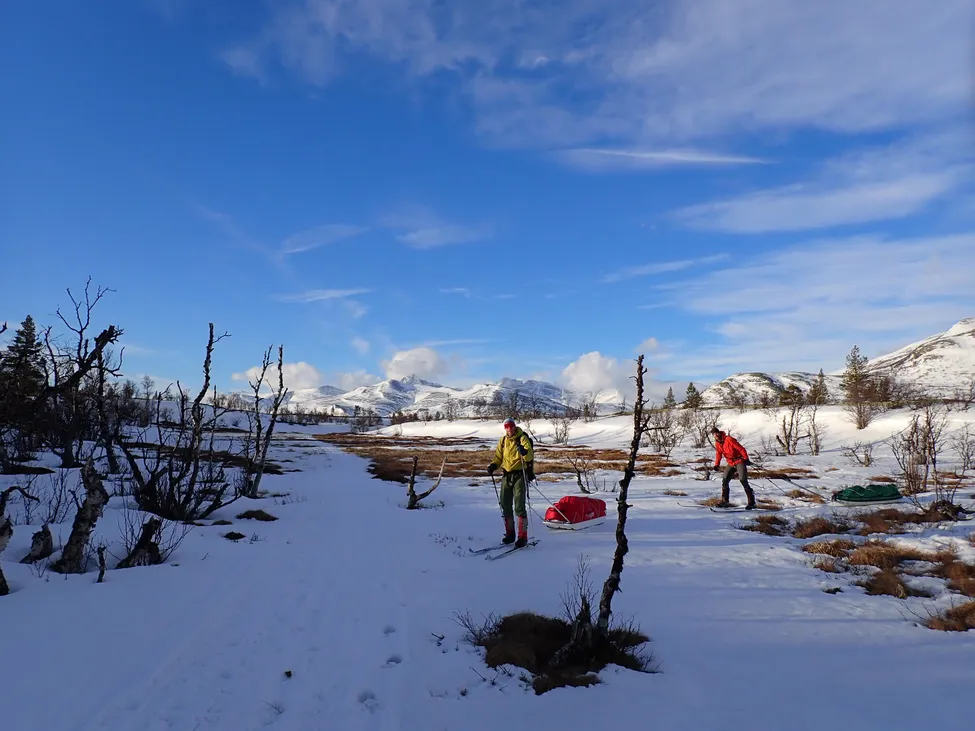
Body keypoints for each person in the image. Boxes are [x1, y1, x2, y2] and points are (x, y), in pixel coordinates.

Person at [487, 417, 534, 546]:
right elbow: (498, 457)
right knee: (505, 504)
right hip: (506, 476)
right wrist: (493, 466)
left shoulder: (522, 438)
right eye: (506, 427)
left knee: (519, 506)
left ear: (514, 426)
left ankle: (522, 537)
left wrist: (524, 452)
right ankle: (510, 534)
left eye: (511, 426)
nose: (509, 429)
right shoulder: (503, 441)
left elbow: (529, 456)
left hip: (519, 475)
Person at [711, 426, 756, 509]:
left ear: (719, 432)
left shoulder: (729, 439)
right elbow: (718, 454)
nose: (716, 435)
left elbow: (741, 449)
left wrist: (746, 459)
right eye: (714, 434)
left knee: (743, 479)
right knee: (725, 479)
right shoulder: (718, 443)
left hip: (739, 461)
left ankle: (751, 502)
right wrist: (716, 464)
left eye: (716, 433)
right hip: (731, 462)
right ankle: (725, 501)